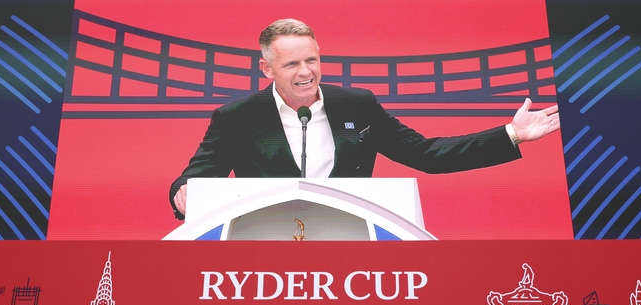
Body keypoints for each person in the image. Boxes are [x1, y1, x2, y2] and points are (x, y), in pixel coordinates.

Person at [168, 18, 561, 219]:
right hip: (264, 242)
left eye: (312, 59)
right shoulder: (236, 117)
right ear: (267, 69)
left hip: (348, 239)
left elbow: (426, 154)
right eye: (292, 64)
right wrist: (182, 194)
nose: (306, 72)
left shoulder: (357, 105)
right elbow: (196, 176)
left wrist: (512, 134)